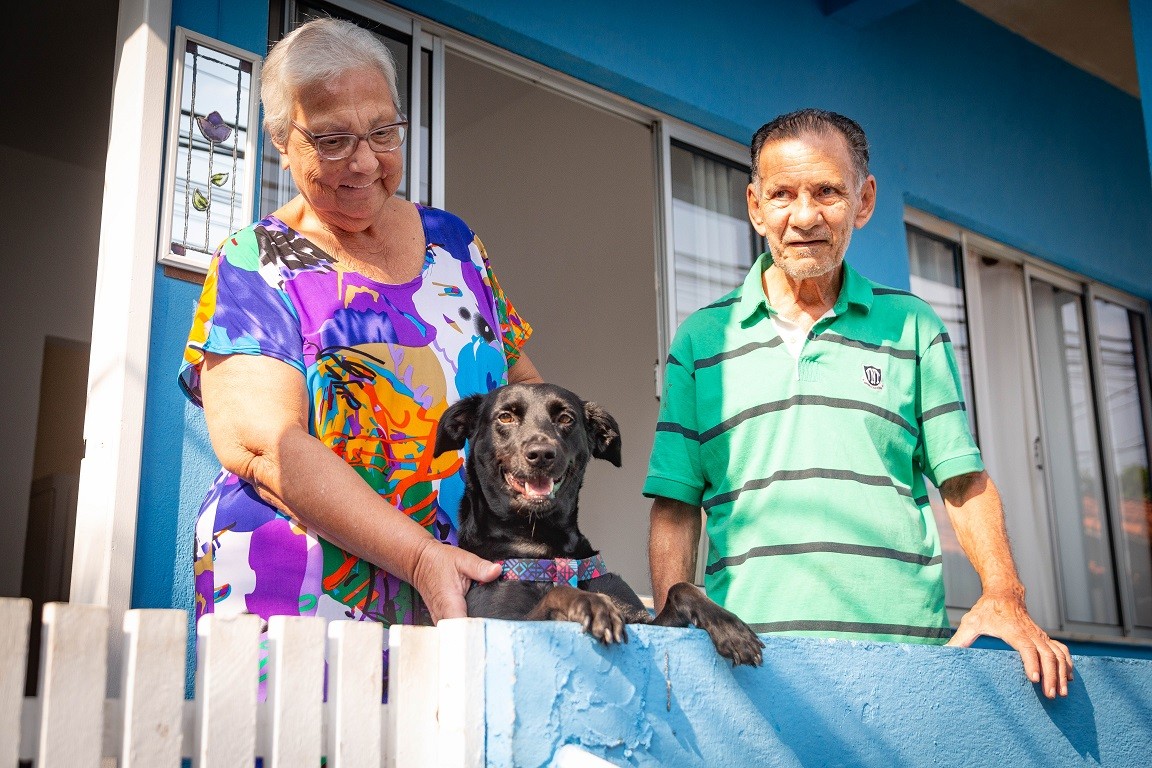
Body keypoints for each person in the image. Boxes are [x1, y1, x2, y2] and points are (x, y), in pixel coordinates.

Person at [644, 108, 1073, 699]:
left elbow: (962, 481)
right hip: (748, 665)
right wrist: (677, 631)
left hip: (906, 666)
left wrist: (1004, 593)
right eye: (782, 194)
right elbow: (675, 503)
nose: (803, 217)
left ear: (865, 200)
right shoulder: (701, 341)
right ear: (754, 205)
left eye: (826, 192)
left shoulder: (914, 327)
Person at [180, 17, 541, 657]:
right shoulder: (255, 263)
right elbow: (266, 448)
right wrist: (421, 553)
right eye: (332, 139)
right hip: (303, 584)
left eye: (382, 132)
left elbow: (521, 382)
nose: (366, 161)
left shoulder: (454, 244)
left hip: (459, 580)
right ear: (279, 142)